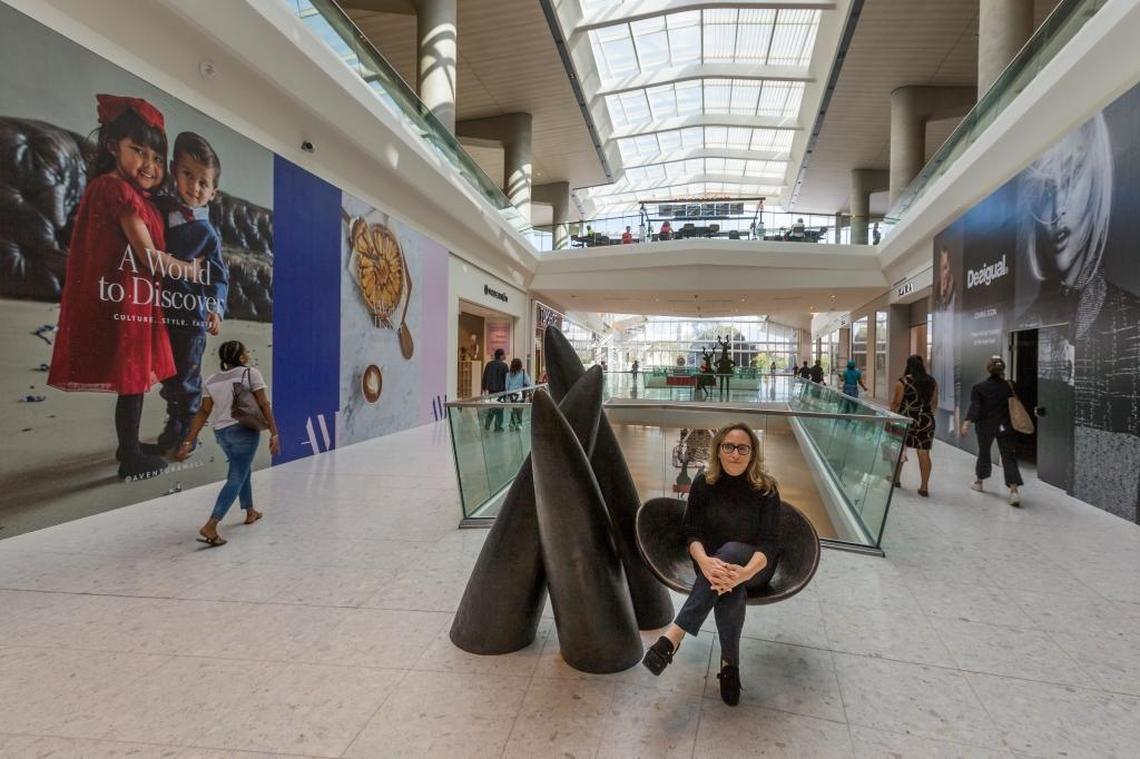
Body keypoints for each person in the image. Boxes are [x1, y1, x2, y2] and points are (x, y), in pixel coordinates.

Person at [47, 94, 202, 480]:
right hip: (126, 293)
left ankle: (127, 444)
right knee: (131, 377)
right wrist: (190, 270)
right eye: (138, 152)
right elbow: (148, 255)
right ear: (112, 145)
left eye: (155, 158)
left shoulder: (137, 194)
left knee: (132, 377)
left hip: (137, 294)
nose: (149, 165)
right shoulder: (116, 191)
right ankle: (130, 457)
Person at [641, 423, 781, 706]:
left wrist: (743, 573)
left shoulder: (766, 489)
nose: (735, 454)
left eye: (743, 448)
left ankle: (675, 635)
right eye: (728, 447)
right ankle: (730, 665)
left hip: (755, 566)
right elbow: (692, 533)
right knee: (728, 587)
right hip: (709, 566)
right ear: (719, 450)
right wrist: (704, 563)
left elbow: (768, 545)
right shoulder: (704, 482)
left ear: (752, 453)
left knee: (729, 556)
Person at [152, 132, 229, 456]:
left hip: (191, 316)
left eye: (203, 183)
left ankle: (188, 431)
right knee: (169, 375)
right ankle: (175, 422)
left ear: (212, 192)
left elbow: (218, 276)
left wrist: (215, 307)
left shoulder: (207, 233)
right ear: (174, 170)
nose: (194, 187)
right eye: (187, 175)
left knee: (187, 377)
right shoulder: (159, 209)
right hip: (160, 310)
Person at [177, 340, 280, 546]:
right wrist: (274, 433)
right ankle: (212, 525)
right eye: (246, 351)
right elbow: (264, 404)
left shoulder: (212, 380)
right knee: (237, 475)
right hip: (244, 431)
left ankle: (250, 511)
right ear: (241, 357)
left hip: (222, 434)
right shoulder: (251, 373)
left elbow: (204, 412)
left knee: (243, 470)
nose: (249, 353)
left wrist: (189, 440)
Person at [960, 357, 1023, 506]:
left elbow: (975, 407)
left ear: (988, 369)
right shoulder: (1009, 387)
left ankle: (979, 482)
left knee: (984, 452)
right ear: (1003, 370)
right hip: (1004, 426)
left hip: (985, 426)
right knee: (1008, 455)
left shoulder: (979, 387)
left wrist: (966, 423)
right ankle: (1014, 491)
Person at [893, 354, 938, 497]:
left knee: (900, 449)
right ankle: (924, 487)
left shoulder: (903, 382)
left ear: (908, 365)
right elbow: (934, 403)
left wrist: (890, 416)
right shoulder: (932, 382)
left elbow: (896, 402)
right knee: (924, 453)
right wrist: (926, 416)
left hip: (906, 420)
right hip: (926, 420)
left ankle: (896, 479)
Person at [481, 348, 509, 431]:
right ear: (500, 356)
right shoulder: (504, 366)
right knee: (500, 409)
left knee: (492, 408)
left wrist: (483, 387)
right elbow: (506, 379)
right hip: (501, 391)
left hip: (491, 390)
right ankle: (498, 427)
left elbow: (485, 376)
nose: (505, 356)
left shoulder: (489, 364)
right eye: (504, 354)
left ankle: (487, 424)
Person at [504, 358, 531, 431]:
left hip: (512, 395)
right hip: (521, 394)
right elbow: (528, 383)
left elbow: (506, 386)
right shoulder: (523, 373)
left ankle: (512, 424)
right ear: (520, 365)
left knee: (514, 409)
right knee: (520, 410)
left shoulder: (508, 374)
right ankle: (518, 424)